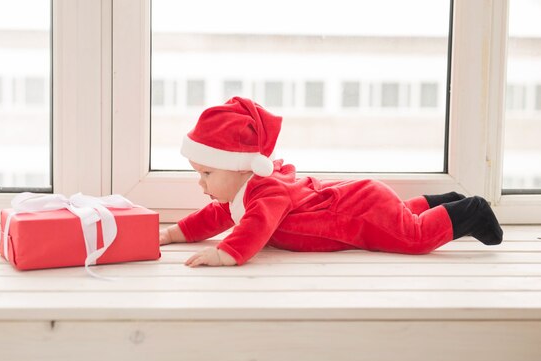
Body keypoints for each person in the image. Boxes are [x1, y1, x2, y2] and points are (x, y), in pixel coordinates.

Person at [159, 97, 503, 267]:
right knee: (402, 219)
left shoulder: (267, 193)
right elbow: (217, 216)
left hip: (360, 210)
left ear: (239, 168)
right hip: (362, 201)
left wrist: (225, 254)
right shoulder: (246, 189)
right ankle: (446, 201)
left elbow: (255, 226)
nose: (200, 183)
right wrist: (173, 234)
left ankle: (471, 211)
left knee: (412, 237)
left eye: (206, 173)